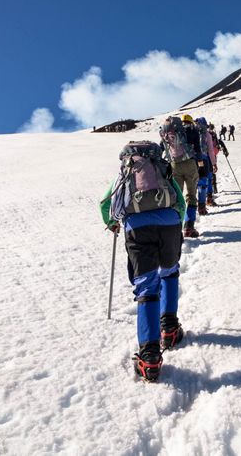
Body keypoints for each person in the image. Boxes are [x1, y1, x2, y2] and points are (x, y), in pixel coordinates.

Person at [99, 140, 186, 382]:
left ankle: (149, 357)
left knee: (147, 286)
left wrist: (114, 223)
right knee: (169, 272)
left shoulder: (125, 174)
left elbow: (105, 203)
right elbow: (180, 200)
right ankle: (169, 328)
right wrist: (175, 221)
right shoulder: (162, 168)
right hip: (169, 223)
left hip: (137, 228)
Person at [159, 115, 202, 238]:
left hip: (174, 165)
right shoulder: (192, 131)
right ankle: (189, 227)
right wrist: (200, 166)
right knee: (191, 195)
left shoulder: (169, 132)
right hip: (190, 164)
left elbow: (161, 147)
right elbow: (198, 150)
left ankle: (175, 227)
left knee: (177, 196)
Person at [195, 117, 216, 214]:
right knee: (204, 181)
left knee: (193, 183)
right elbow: (211, 151)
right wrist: (214, 163)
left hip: (192, 160)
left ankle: (192, 203)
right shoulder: (207, 134)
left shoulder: (192, 131)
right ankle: (202, 206)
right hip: (203, 159)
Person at [208, 124, 229, 203]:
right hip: (214, 154)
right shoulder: (214, 135)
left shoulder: (207, 134)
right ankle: (214, 188)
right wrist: (225, 149)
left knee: (209, 172)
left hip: (207, 155)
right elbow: (220, 142)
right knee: (212, 171)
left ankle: (211, 190)